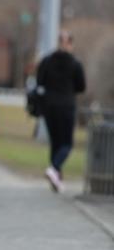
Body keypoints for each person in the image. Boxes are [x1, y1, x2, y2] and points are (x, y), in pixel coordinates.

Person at [37, 30, 86, 192]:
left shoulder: (47, 61)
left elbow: (40, 81)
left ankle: (56, 179)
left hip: (49, 107)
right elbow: (81, 86)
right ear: (70, 44)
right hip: (66, 106)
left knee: (56, 142)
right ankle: (54, 169)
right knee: (67, 144)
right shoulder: (75, 63)